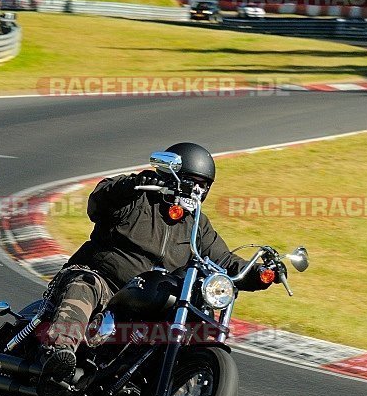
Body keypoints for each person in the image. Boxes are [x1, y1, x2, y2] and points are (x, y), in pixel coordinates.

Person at [40, 142, 273, 380]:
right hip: (105, 282)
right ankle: (59, 352)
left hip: (150, 300)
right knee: (85, 284)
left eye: (204, 185)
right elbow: (100, 201)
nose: (197, 190)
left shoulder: (196, 224)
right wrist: (131, 184)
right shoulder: (138, 198)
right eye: (192, 181)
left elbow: (224, 260)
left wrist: (261, 273)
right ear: (171, 174)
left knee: (193, 310)